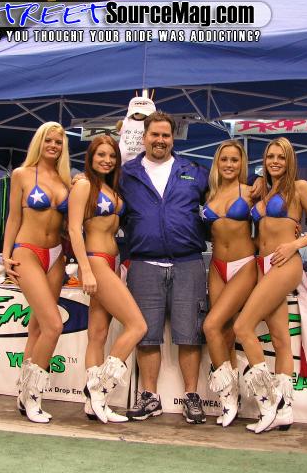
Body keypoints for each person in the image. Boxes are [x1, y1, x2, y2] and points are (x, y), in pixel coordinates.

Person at [120, 111, 210, 424]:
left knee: (190, 335)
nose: (160, 140)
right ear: (144, 137)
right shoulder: (126, 174)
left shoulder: (194, 172)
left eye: (165, 135)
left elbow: (222, 199)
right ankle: (150, 397)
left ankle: (191, 396)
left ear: (173, 138)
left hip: (188, 262)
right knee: (146, 335)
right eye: (155, 135)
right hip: (144, 263)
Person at [233, 137, 307, 434]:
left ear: (290, 161)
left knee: (242, 327)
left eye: (281, 157)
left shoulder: (300, 188)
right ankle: (285, 409)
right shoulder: (262, 188)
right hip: (261, 264)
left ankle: (268, 403)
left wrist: (294, 244)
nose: (275, 161)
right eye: (270, 156)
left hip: (285, 263)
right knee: (280, 338)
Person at [67, 135, 147, 424]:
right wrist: (85, 269)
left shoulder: (111, 187)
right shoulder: (84, 185)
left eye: (112, 156)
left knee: (98, 334)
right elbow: (74, 230)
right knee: (137, 326)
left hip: (111, 262)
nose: (107, 160)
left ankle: (92, 404)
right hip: (96, 262)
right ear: (90, 157)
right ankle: (99, 390)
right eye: (101, 154)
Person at [2, 121, 71, 424]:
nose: (53, 145)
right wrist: (5, 255)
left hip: (56, 256)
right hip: (27, 252)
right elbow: (13, 218)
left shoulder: (66, 180)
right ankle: (33, 395)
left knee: (39, 327)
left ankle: (22, 392)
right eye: (48, 140)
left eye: (58, 141)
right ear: (39, 143)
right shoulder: (22, 174)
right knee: (54, 325)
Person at [201, 140, 257, 427]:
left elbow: (278, 212)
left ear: (242, 163)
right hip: (216, 266)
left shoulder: (251, 191)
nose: (229, 165)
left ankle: (230, 396)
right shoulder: (209, 194)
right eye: (224, 159)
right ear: (217, 163)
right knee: (222, 333)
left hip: (243, 265)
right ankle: (231, 396)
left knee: (210, 325)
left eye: (235, 160)